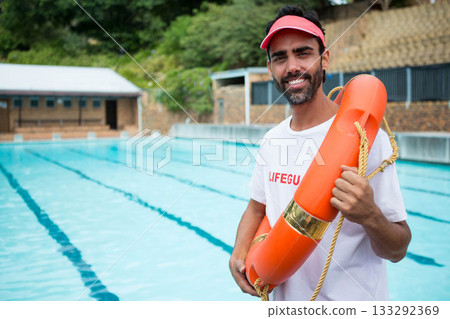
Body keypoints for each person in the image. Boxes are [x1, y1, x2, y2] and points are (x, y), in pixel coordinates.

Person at [229, 5, 411, 301]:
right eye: (280, 58)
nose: (292, 67)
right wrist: (237, 254)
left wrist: (370, 216)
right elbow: (256, 208)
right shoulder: (272, 140)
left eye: (303, 53)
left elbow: (399, 249)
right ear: (270, 69)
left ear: (324, 59)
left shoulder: (367, 139)